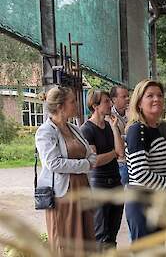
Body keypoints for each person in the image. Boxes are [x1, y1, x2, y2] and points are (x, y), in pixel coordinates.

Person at [35, 86, 97, 256]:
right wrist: (84, 165)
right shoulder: (45, 131)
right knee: (66, 243)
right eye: (72, 101)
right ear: (61, 106)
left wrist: (86, 162)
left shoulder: (75, 128)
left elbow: (92, 155)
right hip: (63, 196)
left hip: (82, 191)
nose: (76, 104)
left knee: (85, 241)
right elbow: (53, 163)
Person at [125, 79, 166, 241]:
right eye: (149, 95)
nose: (156, 99)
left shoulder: (157, 129)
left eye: (159, 95)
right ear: (139, 102)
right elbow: (141, 174)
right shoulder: (137, 130)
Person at [80, 89, 124, 250]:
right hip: (99, 184)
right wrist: (114, 153)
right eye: (106, 101)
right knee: (101, 233)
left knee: (113, 232)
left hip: (116, 181)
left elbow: (122, 153)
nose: (110, 104)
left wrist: (114, 128)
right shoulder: (87, 129)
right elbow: (95, 161)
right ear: (95, 105)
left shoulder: (109, 125)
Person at [109, 85, 130, 186]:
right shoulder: (109, 117)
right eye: (124, 96)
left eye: (128, 96)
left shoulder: (132, 114)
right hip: (122, 163)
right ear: (114, 100)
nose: (127, 99)